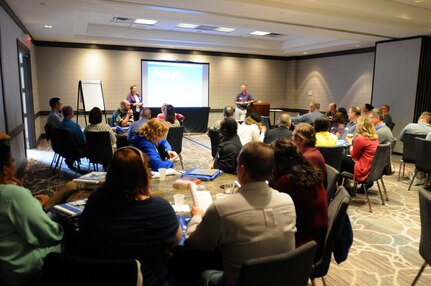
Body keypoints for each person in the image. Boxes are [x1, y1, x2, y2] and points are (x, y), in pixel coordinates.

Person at [186, 142, 296, 286]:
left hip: (238, 282)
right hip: (281, 280)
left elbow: (194, 243)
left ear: (242, 170)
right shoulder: (287, 201)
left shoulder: (222, 209)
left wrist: (196, 216)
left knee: (194, 268)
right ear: (271, 172)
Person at [78, 147, 181, 286]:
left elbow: (85, 231)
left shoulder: (95, 200)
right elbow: (175, 240)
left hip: (100, 277)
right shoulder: (160, 208)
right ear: (144, 174)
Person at [0, 142, 63, 285]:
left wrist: (32, 203)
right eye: (12, 160)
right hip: (22, 267)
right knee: (63, 222)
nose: (14, 162)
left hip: (5, 262)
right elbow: (50, 234)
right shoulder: (13, 195)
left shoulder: (13, 194)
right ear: (5, 169)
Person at [271, 137, 328, 258]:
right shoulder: (309, 171)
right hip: (317, 237)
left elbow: (272, 209)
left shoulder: (287, 181)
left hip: (304, 246)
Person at [341, 116, 379, 183]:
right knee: (343, 157)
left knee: (340, 157)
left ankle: (340, 185)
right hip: (371, 168)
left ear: (360, 125)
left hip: (362, 169)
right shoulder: (375, 138)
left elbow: (353, 156)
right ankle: (344, 184)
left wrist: (350, 143)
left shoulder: (361, 138)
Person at [59, 106, 87, 171]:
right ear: (72, 113)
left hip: (63, 150)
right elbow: (82, 142)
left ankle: (69, 161)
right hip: (76, 151)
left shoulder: (59, 126)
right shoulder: (76, 126)